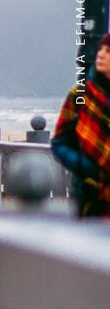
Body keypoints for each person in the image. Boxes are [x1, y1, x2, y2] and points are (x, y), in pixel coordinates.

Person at [52, 33, 110, 217]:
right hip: (88, 193)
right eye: (100, 49)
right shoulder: (80, 95)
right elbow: (59, 143)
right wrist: (83, 165)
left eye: (108, 51)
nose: (100, 54)